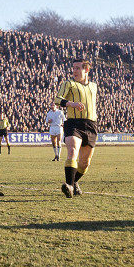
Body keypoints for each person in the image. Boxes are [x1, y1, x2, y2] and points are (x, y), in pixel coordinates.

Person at [54, 59, 98, 198]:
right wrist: (72, 104)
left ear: (86, 70)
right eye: (73, 68)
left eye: (78, 68)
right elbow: (57, 99)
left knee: (85, 163)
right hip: (73, 123)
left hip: (91, 125)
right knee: (72, 150)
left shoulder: (94, 86)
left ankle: (73, 183)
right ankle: (69, 186)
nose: (74, 71)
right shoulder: (69, 84)